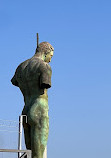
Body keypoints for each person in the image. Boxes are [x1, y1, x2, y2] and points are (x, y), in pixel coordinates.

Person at [11, 42, 54, 158]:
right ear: (45, 52)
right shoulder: (44, 66)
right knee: (38, 155)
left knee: (29, 154)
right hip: (39, 109)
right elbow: (45, 84)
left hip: (25, 110)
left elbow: (14, 81)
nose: (50, 60)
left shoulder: (21, 67)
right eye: (51, 56)